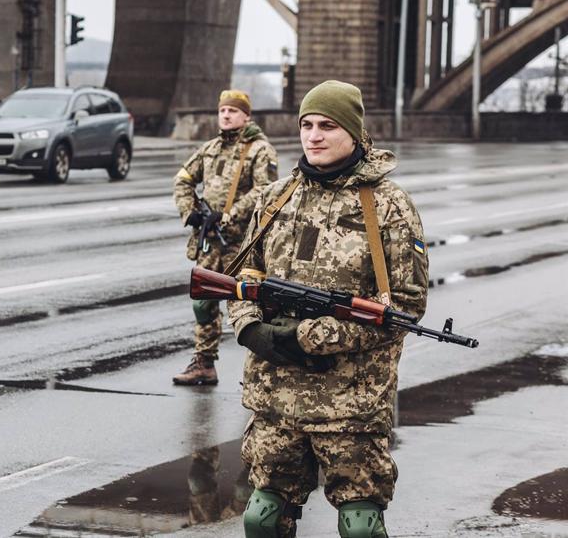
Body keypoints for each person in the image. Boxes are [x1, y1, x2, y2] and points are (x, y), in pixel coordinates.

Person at [227, 80, 429, 537]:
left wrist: (305, 337)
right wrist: (249, 330)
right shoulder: (275, 198)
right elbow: (240, 281)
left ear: (354, 134)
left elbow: (404, 306)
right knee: (261, 519)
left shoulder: (388, 206)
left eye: (328, 126)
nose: (314, 136)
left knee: (360, 527)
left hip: (350, 401)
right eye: (307, 125)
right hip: (275, 395)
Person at [172, 90, 279, 386]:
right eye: (223, 110)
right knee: (203, 302)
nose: (227, 115)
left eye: (233, 110)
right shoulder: (210, 148)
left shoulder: (260, 150)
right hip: (211, 240)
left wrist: (228, 215)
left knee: (249, 307)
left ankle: (263, 370)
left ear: (247, 116)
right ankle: (204, 364)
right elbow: (183, 179)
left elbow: (265, 192)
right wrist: (190, 212)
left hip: (242, 245)